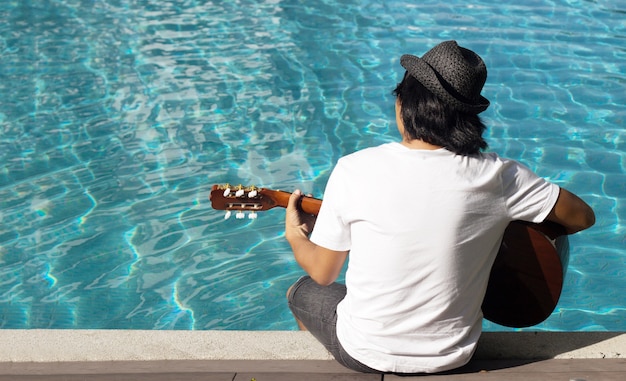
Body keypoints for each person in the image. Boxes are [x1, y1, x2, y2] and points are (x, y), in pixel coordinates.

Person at [284, 40, 595, 374]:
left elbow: (323, 272)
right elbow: (583, 217)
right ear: (470, 118)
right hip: (455, 355)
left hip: (365, 352)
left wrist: (296, 235)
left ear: (403, 103)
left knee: (301, 291)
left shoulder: (354, 169)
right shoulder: (500, 176)